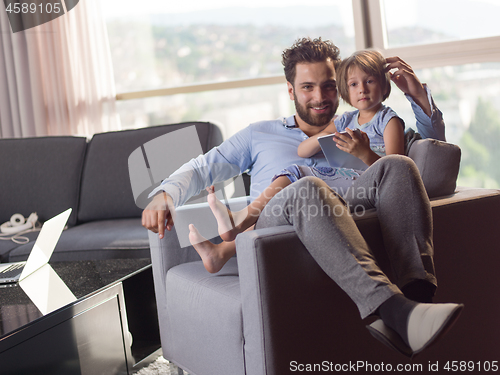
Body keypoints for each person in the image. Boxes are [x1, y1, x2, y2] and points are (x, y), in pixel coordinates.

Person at [142, 37, 462, 358]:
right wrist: (165, 194)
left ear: (340, 87)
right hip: (278, 233)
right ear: (291, 90)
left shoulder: (367, 128)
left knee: (400, 164)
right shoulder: (260, 134)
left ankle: (417, 299)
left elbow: (434, 157)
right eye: (308, 87)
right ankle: (392, 310)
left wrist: (418, 95)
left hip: (352, 223)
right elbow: (202, 168)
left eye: (328, 86)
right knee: (307, 187)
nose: (320, 97)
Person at [188, 49, 406, 274]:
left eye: (369, 81)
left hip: (356, 190)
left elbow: (396, 171)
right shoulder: (346, 121)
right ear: (291, 90)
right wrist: (327, 138)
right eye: (353, 84)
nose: (362, 89)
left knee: (303, 189)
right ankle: (228, 240)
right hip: (331, 188)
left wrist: (363, 152)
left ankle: (229, 240)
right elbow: (303, 150)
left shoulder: (387, 121)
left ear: (384, 84)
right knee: (293, 173)